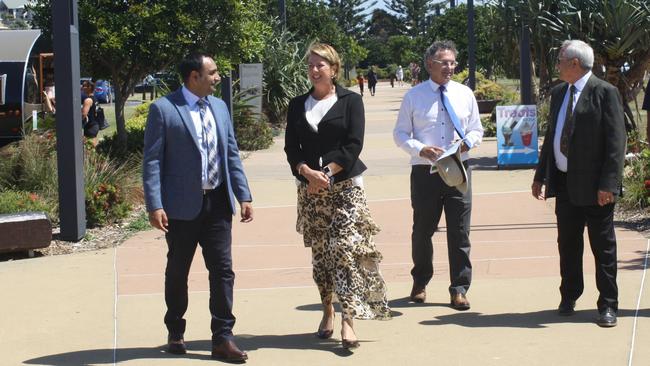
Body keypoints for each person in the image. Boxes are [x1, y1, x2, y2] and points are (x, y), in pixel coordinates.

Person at [143, 52, 254, 362]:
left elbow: (230, 153)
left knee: (223, 270)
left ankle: (222, 337)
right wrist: (155, 205)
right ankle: (175, 330)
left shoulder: (219, 107)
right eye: (212, 72)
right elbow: (152, 161)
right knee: (178, 271)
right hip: (180, 208)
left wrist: (243, 195)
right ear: (194, 76)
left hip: (218, 202)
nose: (217, 77)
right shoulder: (164, 109)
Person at [284, 42, 391, 350]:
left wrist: (326, 174)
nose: (315, 70)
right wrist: (306, 173)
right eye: (311, 65)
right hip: (310, 190)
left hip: (345, 188)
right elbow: (292, 148)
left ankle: (349, 320)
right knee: (320, 256)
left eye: (321, 65)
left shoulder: (351, 101)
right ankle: (327, 310)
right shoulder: (296, 104)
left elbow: (353, 145)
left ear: (334, 68)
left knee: (345, 250)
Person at [532, 40, 626, 328]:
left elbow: (615, 142)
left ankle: (608, 304)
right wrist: (540, 175)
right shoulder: (561, 92)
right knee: (568, 245)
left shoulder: (604, 92)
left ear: (574, 63)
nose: (556, 65)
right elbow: (552, 137)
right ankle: (569, 295)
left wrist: (608, 184)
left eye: (560, 60)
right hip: (564, 183)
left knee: (603, 247)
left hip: (596, 188)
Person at [393, 40, 483, 310]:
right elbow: (400, 134)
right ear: (429, 64)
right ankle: (420, 282)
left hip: (459, 170)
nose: (450, 67)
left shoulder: (465, 93)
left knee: (460, 233)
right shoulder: (414, 96)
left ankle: (459, 289)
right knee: (422, 231)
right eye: (444, 62)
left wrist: (468, 142)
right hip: (425, 173)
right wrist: (421, 149)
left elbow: (477, 129)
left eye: (453, 62)